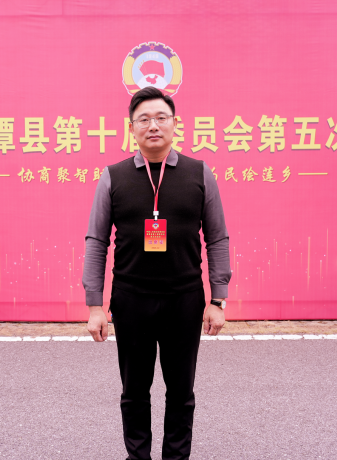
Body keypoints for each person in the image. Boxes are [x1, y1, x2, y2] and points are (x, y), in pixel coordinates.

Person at [82, 86, 231, 460]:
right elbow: (96, 241)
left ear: (175, 124)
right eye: (144, 119)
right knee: (134, 392)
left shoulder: (200, 173)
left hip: (184, 300)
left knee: (181, 392)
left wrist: (217, 299)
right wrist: (95, 306)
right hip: (131, 301)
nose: (153, 125)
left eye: (161, 117)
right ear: (131, 127)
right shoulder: (113, 177)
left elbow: (217, 237)